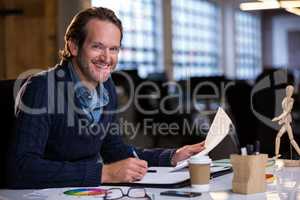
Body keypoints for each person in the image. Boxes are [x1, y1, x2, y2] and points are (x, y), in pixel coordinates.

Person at [6, 7, 205, 189]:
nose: (106, 57)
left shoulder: (107, 87)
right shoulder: (42, 88)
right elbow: (21, 169)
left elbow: (114, 149)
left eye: (114, 49)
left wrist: (172, 156)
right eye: (97, 47)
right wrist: (104, 173)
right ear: (74, 46)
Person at [272, 85, 300, 158]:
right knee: (278, 136)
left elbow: (287, 111)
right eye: (287, 90)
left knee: (291, 139)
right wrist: (281, 119)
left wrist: (278, 118)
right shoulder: (284, 99)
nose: (288, 92)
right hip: (285, 120)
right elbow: (284, 111)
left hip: (287, 121)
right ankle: (277, 154)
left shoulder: (291, 100)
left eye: (290, 90)